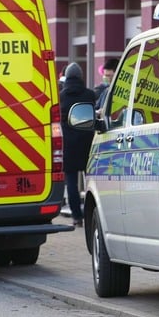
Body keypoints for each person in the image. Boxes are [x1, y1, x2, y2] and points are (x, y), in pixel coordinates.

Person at [58, 62, 96, 227]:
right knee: (91, 181)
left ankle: (77, 217)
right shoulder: (90, 95)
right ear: (81, 76)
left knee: (71, 182)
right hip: (87, 143)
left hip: (68, 144)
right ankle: (91, 214)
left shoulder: (60, 97)